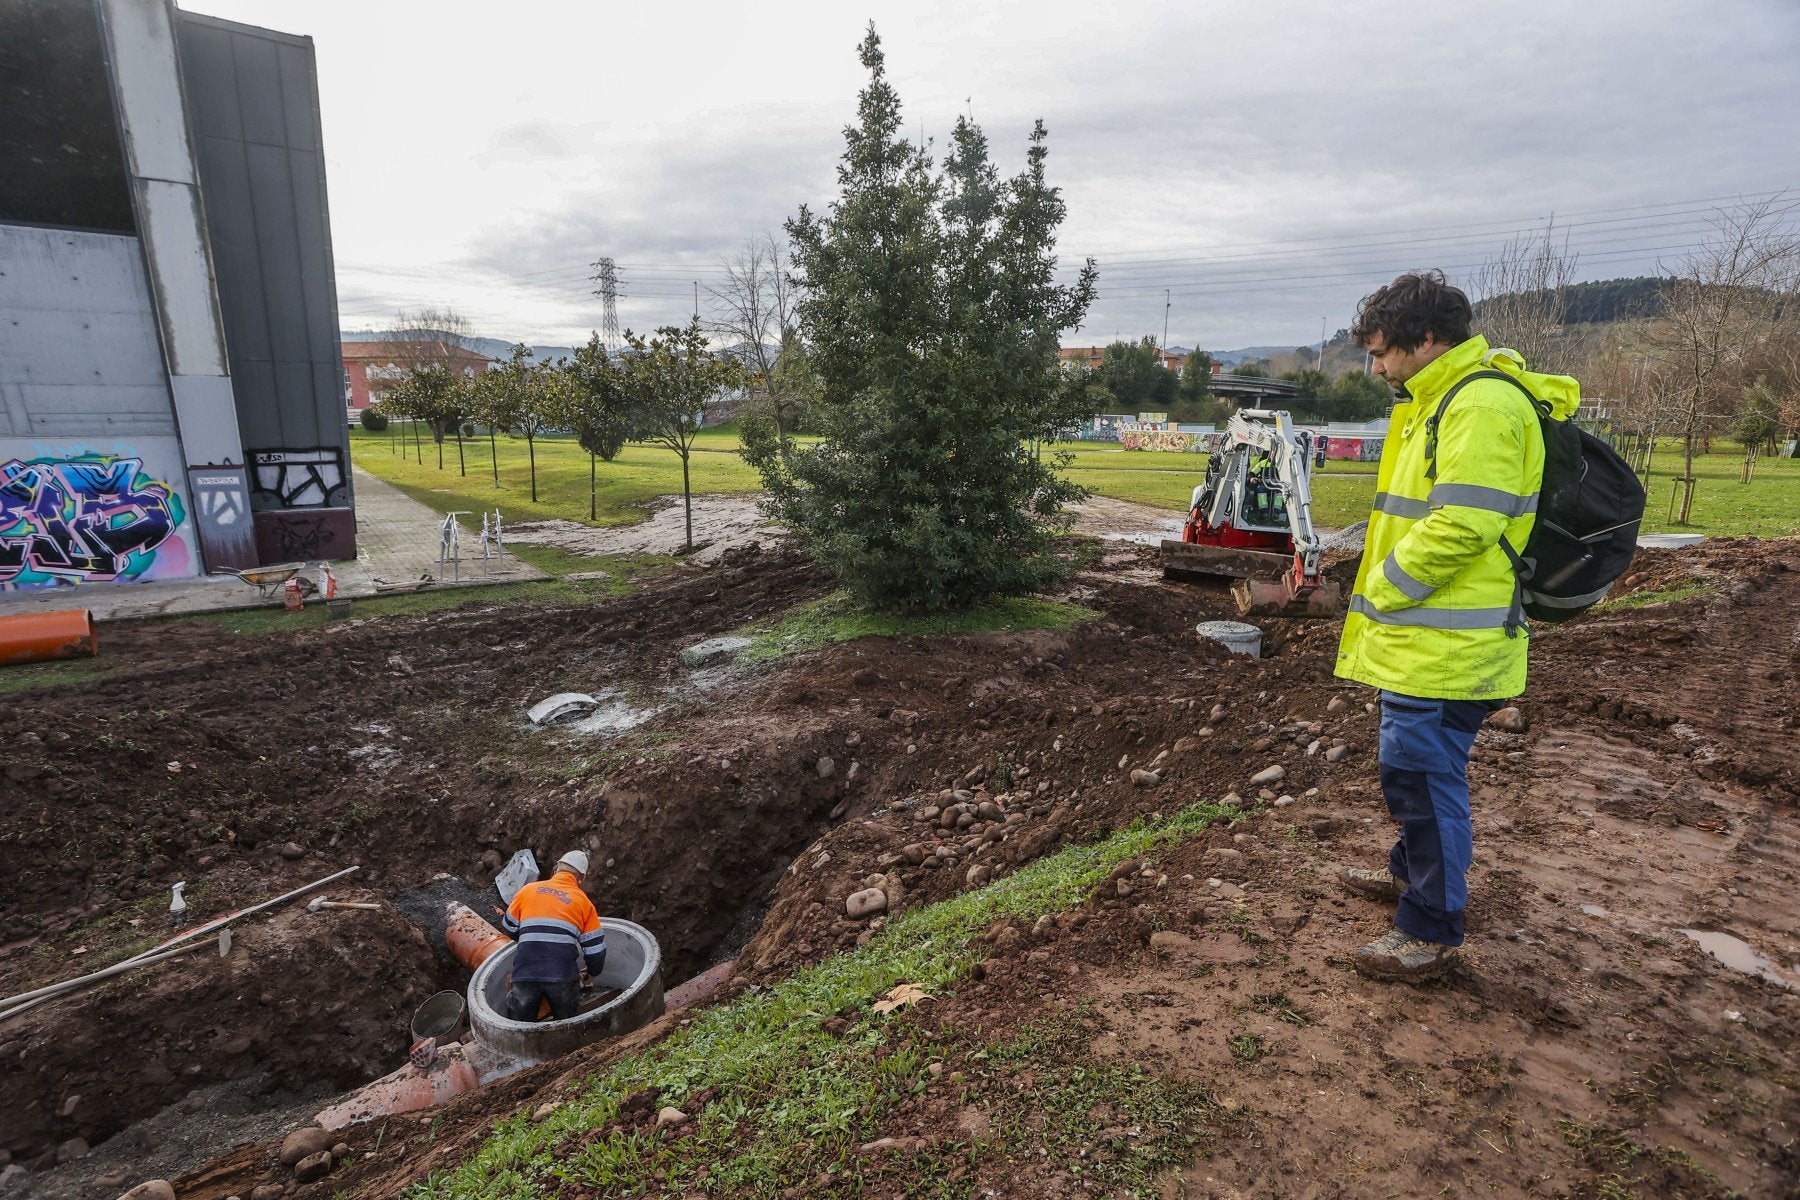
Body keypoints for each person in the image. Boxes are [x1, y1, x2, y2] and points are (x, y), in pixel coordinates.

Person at [1337, 270, 1574, 982]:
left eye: (1383, 353)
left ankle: (1431, 928)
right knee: (1415, 770)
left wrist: (1385, 583)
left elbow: (1467, 522)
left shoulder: (1480, 407)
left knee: (1422, 777)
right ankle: (1412, 878)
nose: (1376, 367)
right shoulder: (1442, 400)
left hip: (1449, 645)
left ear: (1427, 340)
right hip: (1430, 641)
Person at [500, 850, 606, 1020]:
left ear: (556, 868)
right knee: (566, 1024)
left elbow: (508, 928)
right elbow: (596, 951)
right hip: (562, 977)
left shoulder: (528, 890)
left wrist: (532, 938)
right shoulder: (583, 903)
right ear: (581, 878)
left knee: (520, 1029)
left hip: (525, 973)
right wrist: (592, 973)